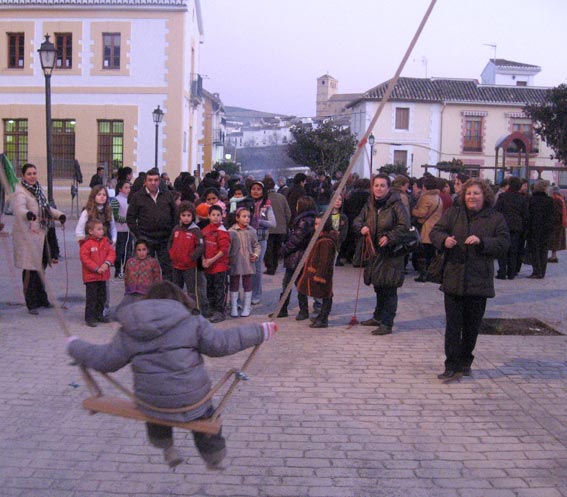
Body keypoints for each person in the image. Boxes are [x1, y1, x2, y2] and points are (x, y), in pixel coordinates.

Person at [67, 280, 278, 468]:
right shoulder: (192, 322)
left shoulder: (131, 329)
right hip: (193, 401)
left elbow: (106, 359)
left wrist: (75, 345)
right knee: (207, 417)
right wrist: (260, 330)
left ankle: (167, 448)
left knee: (156, 409)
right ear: (179, 299)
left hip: (152, 403)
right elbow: (221, 344)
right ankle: (214, 459)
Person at [430, 178, 510, 381]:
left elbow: (504, 243)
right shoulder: (453, 214)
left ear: (485, 196)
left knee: (472, 326)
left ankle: (465, 362)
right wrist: (443, 240)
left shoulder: (495, 218)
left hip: (479, 279)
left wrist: (483, 242)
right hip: (454, 276)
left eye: (476, 193)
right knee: (453, 325)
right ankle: (451, 365)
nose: (471, 197)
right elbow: (436, 231)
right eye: (468, 193)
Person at [353, 173, 411, 336]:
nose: (379, 189)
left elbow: (405, 226)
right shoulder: (370, 204)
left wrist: (390, 237)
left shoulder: (396, 204)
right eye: (376, 185)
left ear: (388, 188)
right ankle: (378, 317)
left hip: (391, 253)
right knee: (378, 285)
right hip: (375, 252)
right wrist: (362, 227)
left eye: (382, 185)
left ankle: (387, 322)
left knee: (389, 288)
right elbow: (357, 220)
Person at [10, 163, 66, 314]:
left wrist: (59, 215)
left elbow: (46, 208)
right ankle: (31, 303)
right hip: (27, 236)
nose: (32, 176)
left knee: (41, 269)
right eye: (29, 174)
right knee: (30, 270)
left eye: (34, 173)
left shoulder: (39, 190)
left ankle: (42, 298)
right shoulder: (19, 191)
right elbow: (20, 208)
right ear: (23, 176)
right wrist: (27, 214)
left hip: (41, 236)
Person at [127, 168, 176, 280]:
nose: (153, 182)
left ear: (159, 181)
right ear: (145, 181)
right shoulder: (137, 196)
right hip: (146, 238)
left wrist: (172, 232)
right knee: (146, 268)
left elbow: (175, 214)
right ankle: (147, 294)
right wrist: (139, 235)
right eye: (150, 180)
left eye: (156, 180)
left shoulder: (167, 195)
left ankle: (166, 293)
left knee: (167, 269)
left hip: (165, 238)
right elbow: (130, 217)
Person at [278, 196, 318, 318]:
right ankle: (290, 309)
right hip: (303, 255)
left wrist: (283, 250)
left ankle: (295, 310)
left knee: (291, 283)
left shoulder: (303, 221)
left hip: (297, 256)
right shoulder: (311, 219)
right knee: (296, 283)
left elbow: (296, 240)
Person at [296, 214, 338, 328]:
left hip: (322, 273)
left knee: (326, 294)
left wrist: (320, 275)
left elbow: (325, 260)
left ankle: (323, 318)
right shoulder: (319, 237)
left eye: (320, 224)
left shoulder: (326, 241)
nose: (317, 226)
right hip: (316, 271)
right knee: (323, 294)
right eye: (316, 224)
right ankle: (321, 316)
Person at [168, 201, 207, 316]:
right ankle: (178, 309)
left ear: (193, 216)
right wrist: (171, 254)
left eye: (188, 215)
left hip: (190, 266)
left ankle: (196, 310)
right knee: (177, 288)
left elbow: (201, 246)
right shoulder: (176, 229)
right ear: (180, 216)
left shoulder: (196, 231)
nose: (186, 218)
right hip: (176, 265)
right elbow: (170, 242)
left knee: (192, 290)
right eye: (183, 215)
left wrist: (192, 257)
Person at [79, 219, 116, 327]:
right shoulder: (86, 244)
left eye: (102, 229)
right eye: (98, 229)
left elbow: (111, 253)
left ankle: (99, 314)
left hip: (103, 275)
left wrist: (106, 264)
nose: (102, 231)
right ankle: (90, 317)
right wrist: (96, 268)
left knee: (102, 297)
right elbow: (85, 259)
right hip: (91, 277)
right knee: (92, 298)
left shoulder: (106, 242)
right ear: (91, 231)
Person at [494, 176, 529, 280]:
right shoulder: (522, 198)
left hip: (503, 225)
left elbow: (497, 210)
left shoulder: (503, 196)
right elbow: (525, 214)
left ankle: (502, 271)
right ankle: (511, 272)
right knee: (513, 250)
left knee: (503, 249)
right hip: (517, 227)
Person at [201, 205, 231, 323]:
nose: (215, 217)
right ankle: (211, 308)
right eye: (213, 215)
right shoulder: (205, 230)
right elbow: (201, 247)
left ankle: (220, 311)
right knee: (209, 288)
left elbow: (223, 250)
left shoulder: (223, 232)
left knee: (220, 289)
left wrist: (211, 260)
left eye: (218, 215)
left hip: (219, 266)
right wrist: (203, 260)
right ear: (208, 216)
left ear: (222, 215)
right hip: (207, 266)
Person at [228, 207, 260, 317]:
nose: (247, 219)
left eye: (248, 217)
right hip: (235, 260)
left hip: (248, 260)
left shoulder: (252, 231)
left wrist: (256, 254)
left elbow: (256, 245)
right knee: (234, 282)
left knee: (247, 282)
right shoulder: (231, 232)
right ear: (237, 218)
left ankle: (246, 307)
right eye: (244, 216)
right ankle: (234, 306)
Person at [248, 181, 276, 304]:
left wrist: (257, 221)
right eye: (253, 189)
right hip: (246, 238)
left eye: (258, 189)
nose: (255, 191)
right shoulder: (246, 203)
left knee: (257, 267)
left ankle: (256, 294)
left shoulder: (266, 206)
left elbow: (272, 223)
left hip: (260, 239)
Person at [412, 176, 442, 282]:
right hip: (435, 227)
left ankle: (424, 274)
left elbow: (422, 213)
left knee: (423, 253)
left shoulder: (426, 197)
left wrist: (413, 210)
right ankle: (431, 273)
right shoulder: (438, 197)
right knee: (431, 253)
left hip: (426, 228)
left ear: (425, 186)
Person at [118, 239, 162, 311]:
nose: (142, 252)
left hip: (146, 294)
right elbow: (126, 278)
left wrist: (155, 295)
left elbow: (157, 279)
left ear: (148, 250)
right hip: (131, 293)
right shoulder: (130, 262)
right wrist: (127, 290)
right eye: (139, 250)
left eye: (144, 249)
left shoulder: (153, 262)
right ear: (135, 251)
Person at [527, 180, 554, 279]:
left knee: (535, 249)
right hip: (546, 228)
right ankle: (542, 270)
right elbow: (552, 216)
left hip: (534, 228)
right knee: (544, 249)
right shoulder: (549, 200)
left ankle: (536, 270)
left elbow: (528, 215)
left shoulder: (532, 199)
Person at [264, 177, 291, 275]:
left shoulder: (264, 198)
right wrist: (285, 224)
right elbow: (288, 213)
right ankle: (274, 266)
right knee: (277, 249)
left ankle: (270, 268)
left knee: (268, 249)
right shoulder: (281, 197)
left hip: (268, 228)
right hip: (281, 228)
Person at [110, 180, 132, 278]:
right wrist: (127, 220)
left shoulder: (130, 200)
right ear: (120, 189)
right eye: (126, 187)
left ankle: (125, 270)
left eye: (129, 187)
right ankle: (118, 270)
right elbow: (115, 216)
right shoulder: (116, 200)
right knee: (119, 252)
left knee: (128, 252)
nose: (128, 190)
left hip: (128, 230)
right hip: (119, 230)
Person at [548, 186, 566, 263]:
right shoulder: (561, 199)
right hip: (561, 223)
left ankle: (553, 256)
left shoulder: (555, 199)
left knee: (554, 240)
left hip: (556, 224)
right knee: (556, 240)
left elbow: (556, 213)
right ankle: (553, 256)